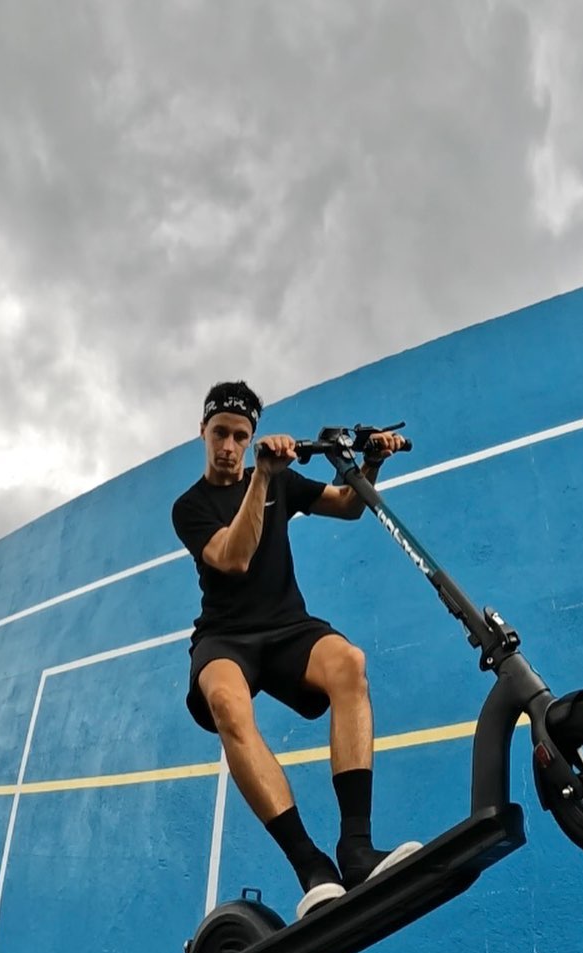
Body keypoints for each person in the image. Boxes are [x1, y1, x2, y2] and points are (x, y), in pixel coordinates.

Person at [172, 380, 422, 919]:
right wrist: (262, 477)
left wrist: (372, 462)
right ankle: (311, 867)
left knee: (349, 664)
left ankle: (356, 850)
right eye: (220, 433)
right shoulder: (189, 507)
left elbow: (348, 505)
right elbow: (233, 557)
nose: (229, 447)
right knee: (226, 702)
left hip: (287, 626)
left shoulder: (280, 481)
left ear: (251, 436)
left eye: (241, 436)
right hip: (225, 637)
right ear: (203, 431)